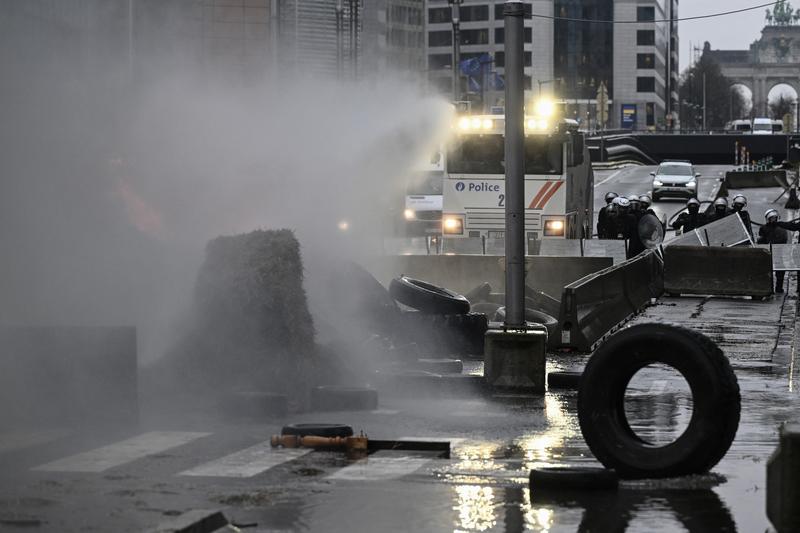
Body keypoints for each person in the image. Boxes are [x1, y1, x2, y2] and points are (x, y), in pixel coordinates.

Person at [758, 209, 789, 293]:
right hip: (769, 251)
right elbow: (762, 240)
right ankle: (768, 287)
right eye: (772, 218)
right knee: (766, 270)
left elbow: (785, 239)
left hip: (778, 251)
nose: (773, 220)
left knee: (780, 272)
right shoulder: (763, 227)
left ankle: (779, 288)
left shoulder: (781, 227)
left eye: (775, 218)